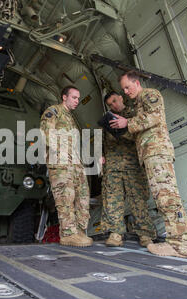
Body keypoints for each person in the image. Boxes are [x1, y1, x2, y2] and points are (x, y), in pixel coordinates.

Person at [110, 71, 187, 258]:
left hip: (157, 151)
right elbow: (139, 130)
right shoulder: (138, 103)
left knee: (167, 197)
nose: (125, 91)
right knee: (163, 197)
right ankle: (182, 241)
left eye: (127, 87)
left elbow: (155, 117)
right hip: (150, 154)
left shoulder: (150, 94)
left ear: (137, 83)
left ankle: (180, 244)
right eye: (123, 89)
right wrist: (121, 128)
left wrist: (128, 122)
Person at [100, 92, 157, 247]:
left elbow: (142, 137)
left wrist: (125, 128)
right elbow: (104, 141)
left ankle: (145, 234)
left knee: (138, 200)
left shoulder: (133, 114)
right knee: (112, 199)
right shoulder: (109, 119)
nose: (113, 105)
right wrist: (102, 156)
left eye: (114, 101)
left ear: (120, 97)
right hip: (113, 164)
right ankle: (115, 233)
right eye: (110, 105)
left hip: (132, 164)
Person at [40, 86, 93, 247]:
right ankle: (68, 234)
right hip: (61, 163)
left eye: (78, 98)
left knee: (83, 197)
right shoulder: (53, 111)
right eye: (74, 97)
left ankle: (80, 232)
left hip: (76, 164)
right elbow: (46, 134)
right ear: (64, 97)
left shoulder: (71, 119)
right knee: (65, 197)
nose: (77, 101)